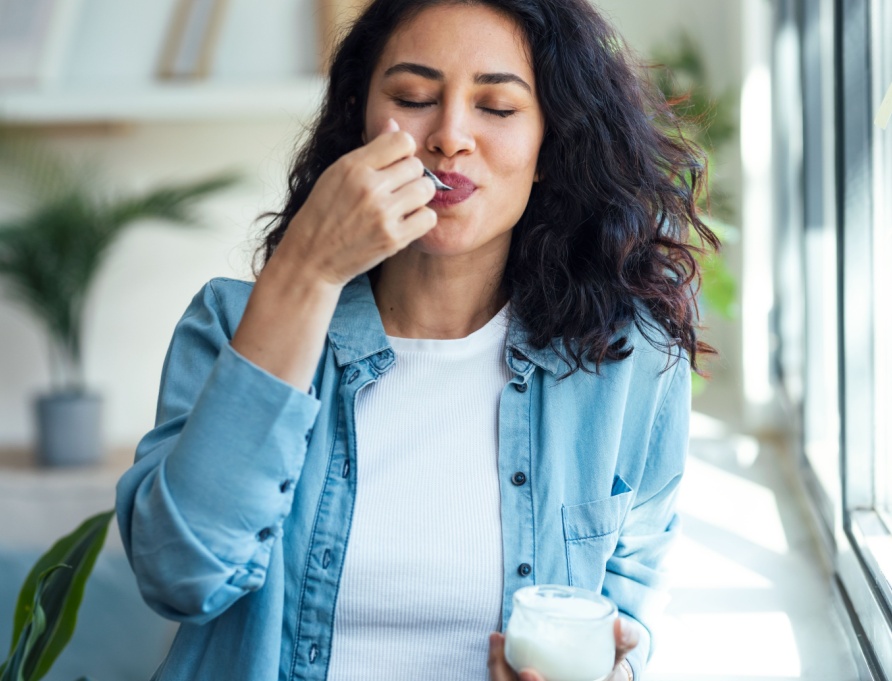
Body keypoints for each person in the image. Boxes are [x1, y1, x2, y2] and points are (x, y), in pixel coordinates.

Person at [116, 0, 717, 679]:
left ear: (551, 145)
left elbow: (627, 612)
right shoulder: (232, 326)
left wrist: (611, 664)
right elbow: (179, 576)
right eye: (413, 97)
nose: (451, 135)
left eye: (496, 107)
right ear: (360, 123)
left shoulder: (628, 360)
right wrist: (307, 271)